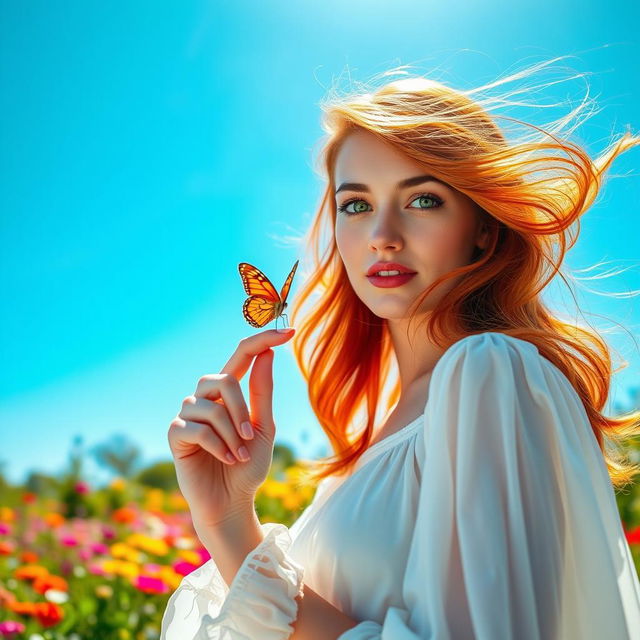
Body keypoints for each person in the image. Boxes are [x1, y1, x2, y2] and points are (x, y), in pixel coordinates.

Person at [160, 58, 640, 639]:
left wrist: (236, 534)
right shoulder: (377, 441)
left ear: (483, 227)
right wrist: (227, 518)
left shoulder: (490, 370)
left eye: (423, 199)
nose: (383, 234)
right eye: (356, 205)